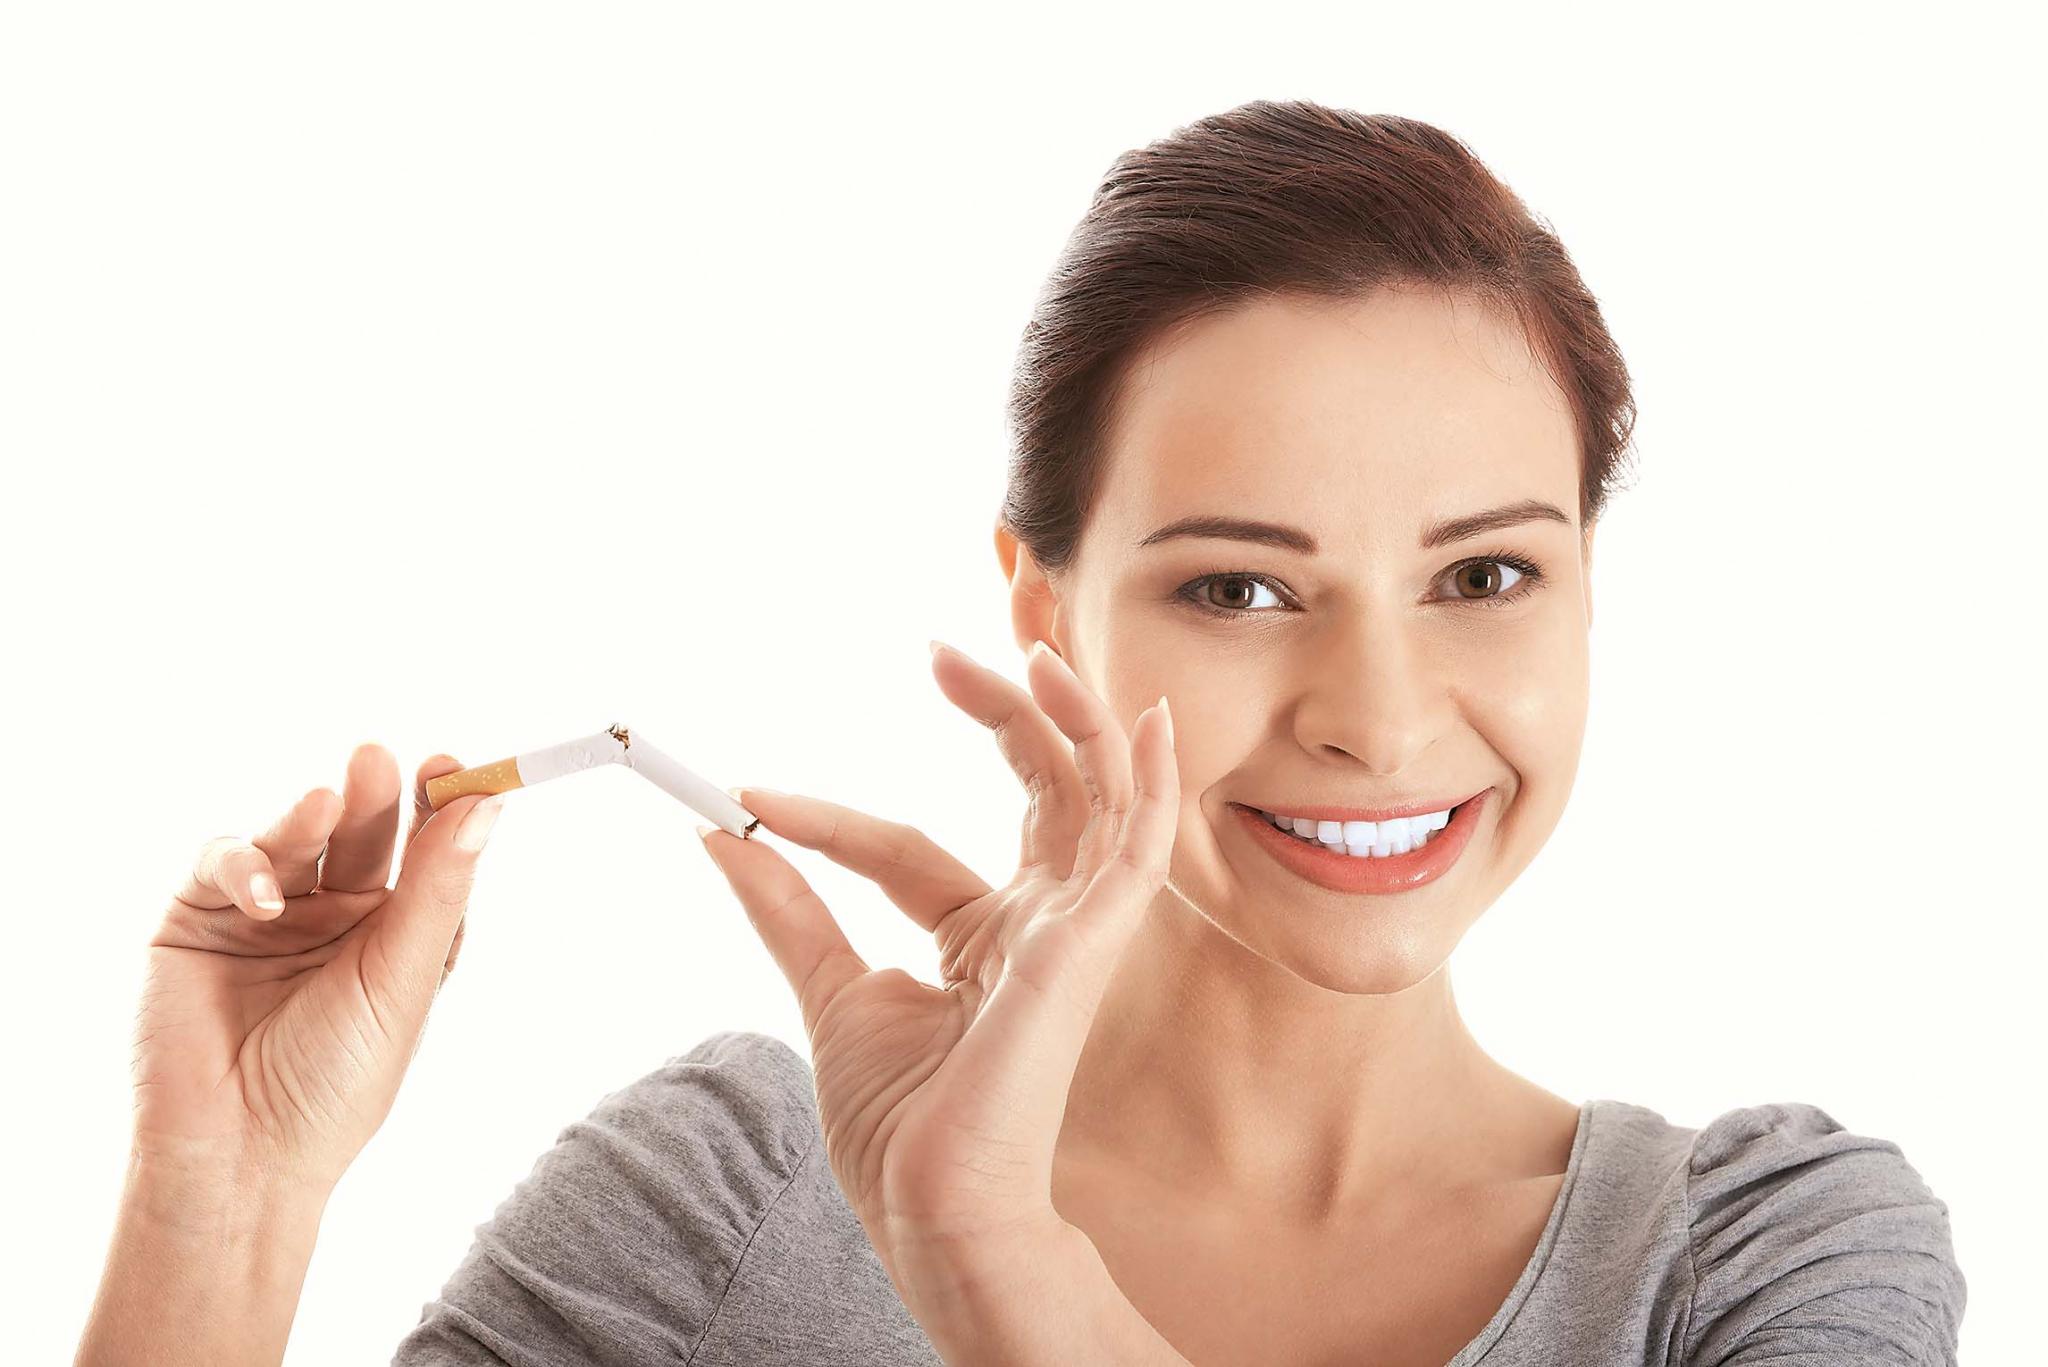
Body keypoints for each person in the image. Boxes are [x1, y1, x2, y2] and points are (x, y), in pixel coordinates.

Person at [75, 100, 1967, 1366]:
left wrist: (1006, 1266)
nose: (1382, 721)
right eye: (1240, 589)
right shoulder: (733, 1195)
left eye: (1485, 575)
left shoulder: (1755, 1262)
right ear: (1047, 612)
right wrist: (218, 1201)